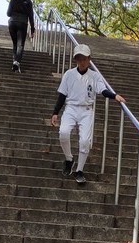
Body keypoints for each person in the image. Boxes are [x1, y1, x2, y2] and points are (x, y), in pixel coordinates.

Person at [50, 44, 125, 186]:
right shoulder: (69, 74)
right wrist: (55, 112)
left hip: (86, 110)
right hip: (71, 108)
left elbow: (102, 90)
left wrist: (114, 96)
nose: (82, 61)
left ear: (89, 59)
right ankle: (69, 159)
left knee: (85, 141)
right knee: (63, 133)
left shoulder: (95, 76)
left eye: (84, 58)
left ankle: (79, 171)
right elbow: (62, 95)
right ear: (75, 60)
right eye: (79, 58)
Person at [7, 0, 35, 70]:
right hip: (23, 23)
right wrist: (32, 29)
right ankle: (16, 62)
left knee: (15, 43)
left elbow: (8, 13)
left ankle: (15, 61)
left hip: (12, 22)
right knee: (20, 45)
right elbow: (31, 16)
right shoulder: (28, 1)